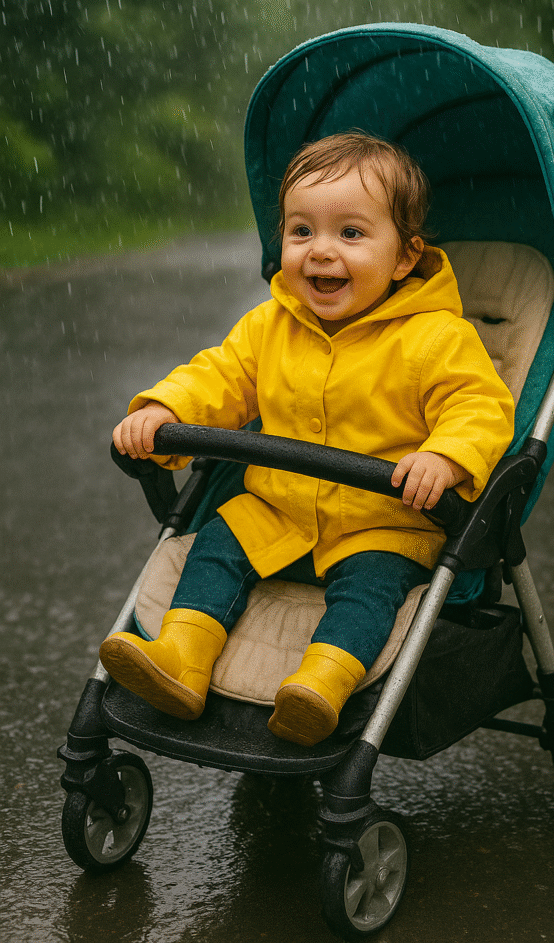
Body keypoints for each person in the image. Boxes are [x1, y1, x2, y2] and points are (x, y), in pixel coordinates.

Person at [99, 132, 514, 746]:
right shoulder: (271, 325)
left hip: (382, 519)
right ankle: (181, 656)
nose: (320, 252)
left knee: (371, 589)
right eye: (301, 231)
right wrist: (165, 408)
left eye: (351, 233)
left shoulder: (434, 338)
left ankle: (322, 684)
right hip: (281, 509)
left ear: (404, 258)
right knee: (216, 545)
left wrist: (445, 457)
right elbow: (220, 376)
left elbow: (478, 405)